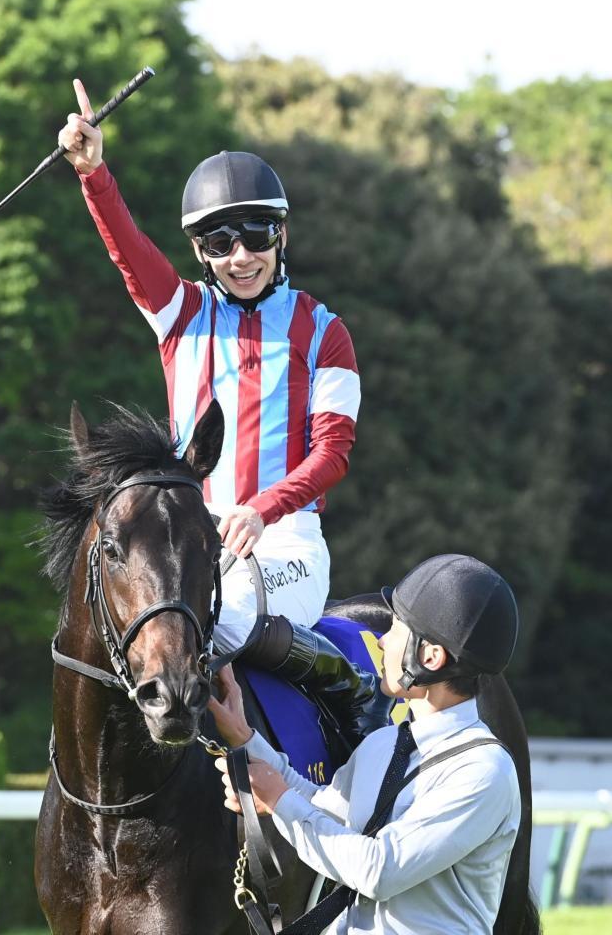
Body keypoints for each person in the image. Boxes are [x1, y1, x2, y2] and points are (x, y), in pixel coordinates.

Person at [58, 79, 392, 742]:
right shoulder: (180, 313)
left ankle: (344, 680)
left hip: (286, 540)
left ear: (281, 233)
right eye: (218, 241)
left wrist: (262, 509)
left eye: (255, 234)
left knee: (222, 623)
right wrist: (94, 173)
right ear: (199, 252)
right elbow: (128, 252)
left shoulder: (325, 331)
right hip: (188, 535)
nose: (240, 256)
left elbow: (333, 453)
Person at [209, 554, 522, 935]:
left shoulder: (483, 772)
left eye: (396, 629)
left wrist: (276, 800)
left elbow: (379, 870)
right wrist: (245, 739)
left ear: (430, 656)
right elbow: (321, 810)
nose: (384, 640)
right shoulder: (384, 744)